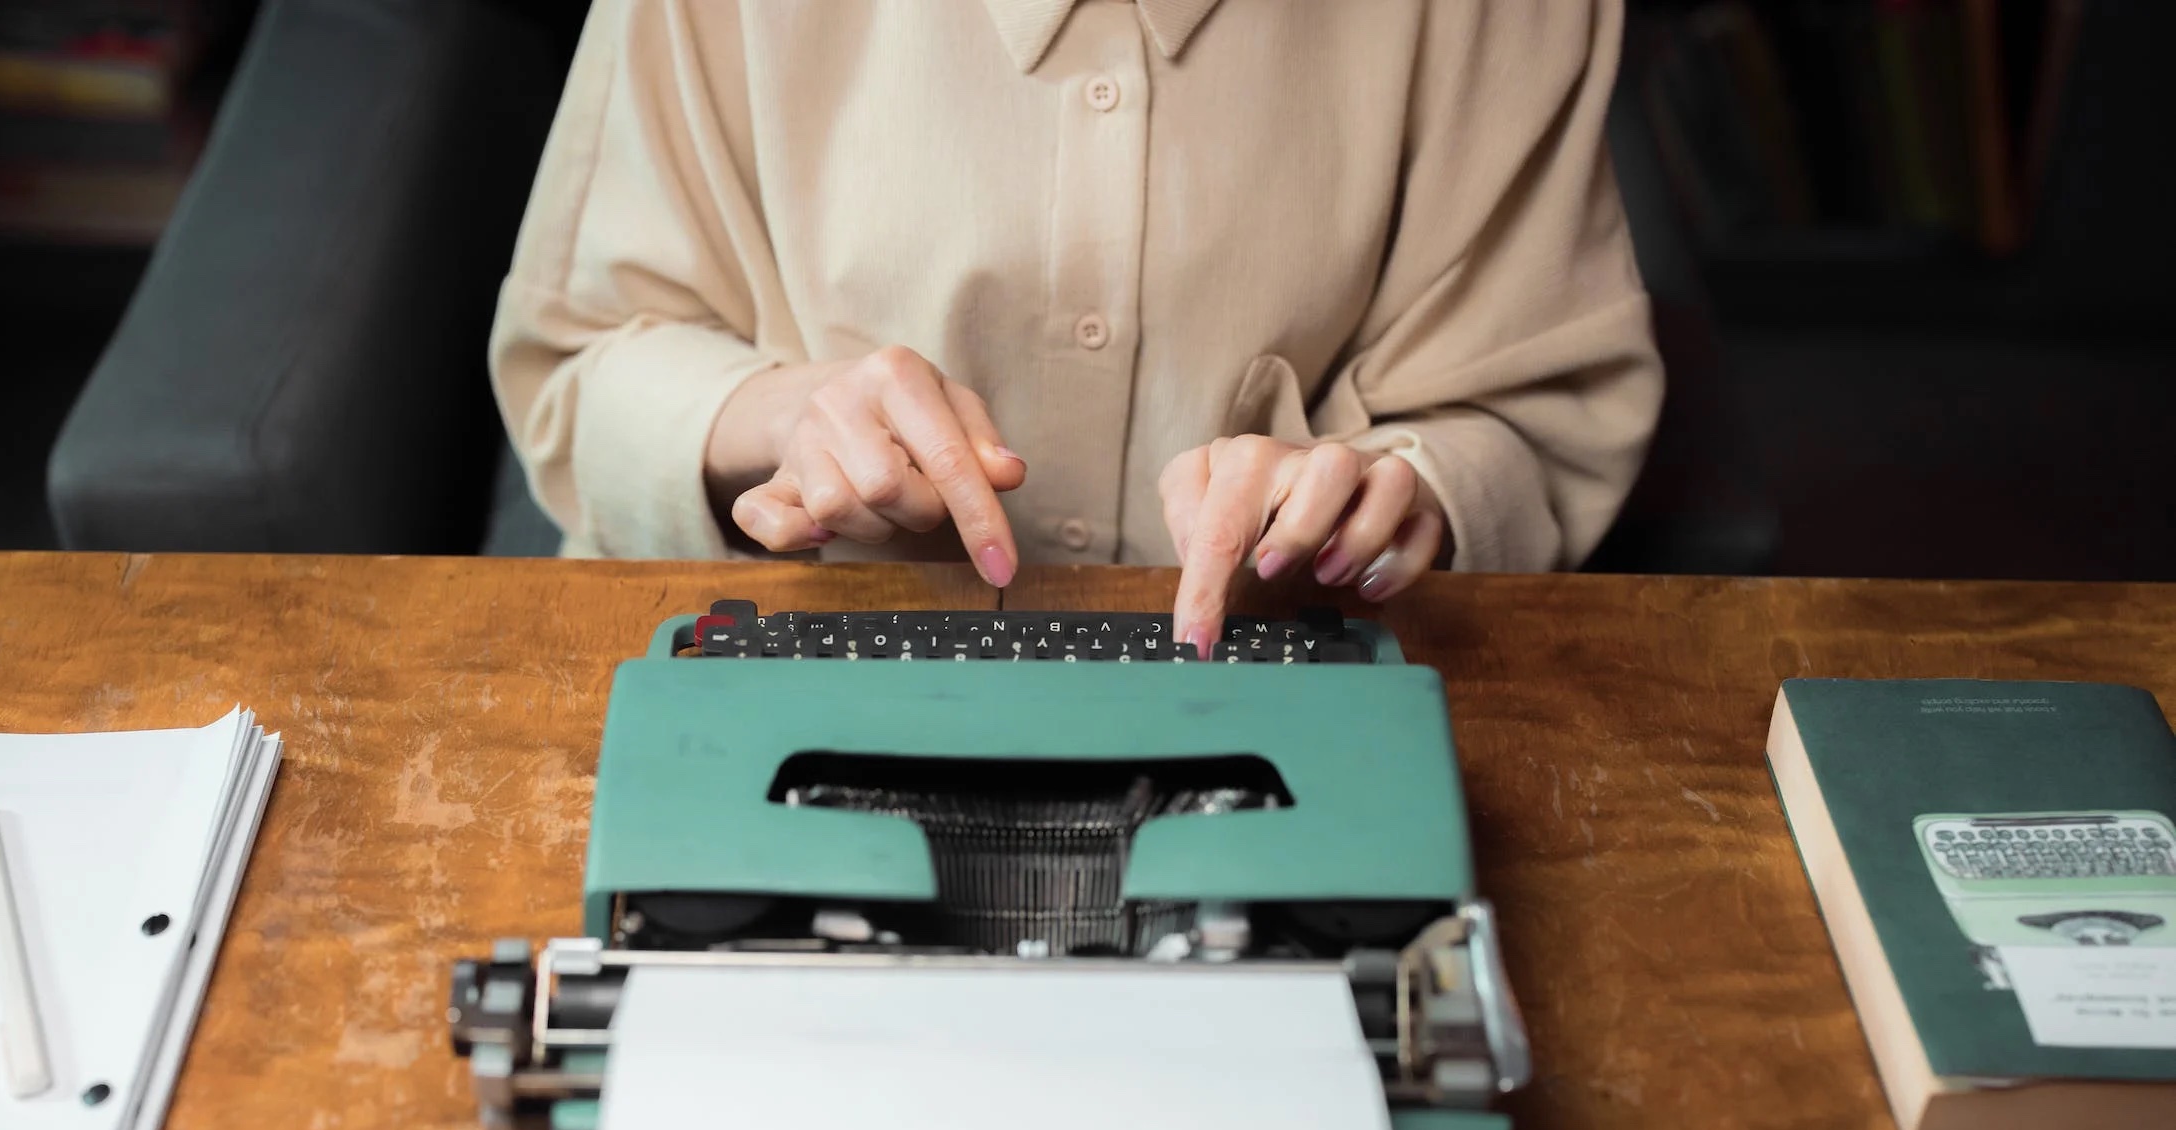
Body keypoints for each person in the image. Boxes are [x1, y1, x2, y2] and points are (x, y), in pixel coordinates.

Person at [490, 0, 1663, 652]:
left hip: (1297, 684)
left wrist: (1402, 491)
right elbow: (577, 367)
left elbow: (1537, 413)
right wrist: (783, 412)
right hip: (787, 661)